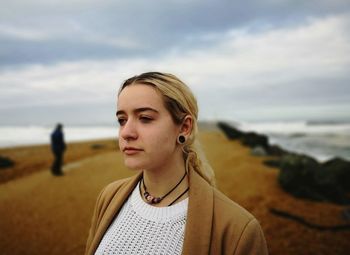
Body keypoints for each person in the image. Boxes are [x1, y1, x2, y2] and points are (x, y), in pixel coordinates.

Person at [85, 72, 268, 255]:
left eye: (145, 118)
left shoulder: (237, 229)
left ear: (184, 127)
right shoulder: (109, 198)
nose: (126, 132)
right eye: (122, 120)